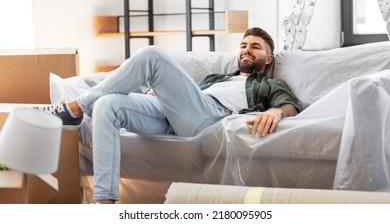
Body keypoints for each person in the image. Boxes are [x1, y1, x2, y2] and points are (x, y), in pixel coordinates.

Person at [37, 27, 301, 204]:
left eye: (255, 47)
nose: (247, 50)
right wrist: (160, 92)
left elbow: (290, 106)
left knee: (151, 54)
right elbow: (185, 95)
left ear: (267, 59)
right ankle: (105, 201)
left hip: (209, 117)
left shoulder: (267, 84)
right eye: (244, 45)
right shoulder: (215, 78)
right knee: (108, 104)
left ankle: (75, 107)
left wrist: (276, 112)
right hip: (176, 113)